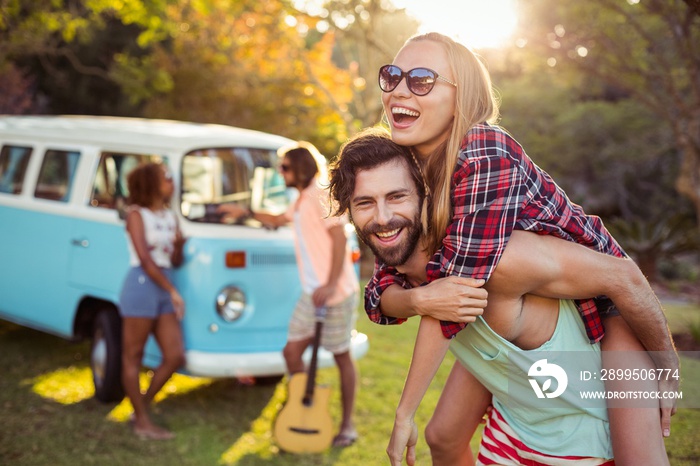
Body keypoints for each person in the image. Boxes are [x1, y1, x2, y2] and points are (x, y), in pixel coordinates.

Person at [365, 32, 678, 464]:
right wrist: (413, 297)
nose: (400, 89)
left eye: (421, 79)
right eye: (392, 75)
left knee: (638, 456)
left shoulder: (483, 149)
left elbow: (455, 291)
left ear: (462, 97)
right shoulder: (415, 168)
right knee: (443, 436)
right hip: (516, 308)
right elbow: (386, 284)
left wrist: (666, 367)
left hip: (607, 306)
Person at [217, 142, 360, 448]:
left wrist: (331, 284)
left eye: (284, 168)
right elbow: (279, 219)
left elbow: (339, 240)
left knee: (342, 356)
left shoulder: (321, 196)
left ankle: (347, 426)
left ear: (300, 168)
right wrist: (243, 211)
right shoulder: (301, 199)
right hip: (312, 293)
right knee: (291, 353)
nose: (280, 173)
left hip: (335, 292)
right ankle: (306, 400)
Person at [119, 162, 186, 440]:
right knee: (132, 355)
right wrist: (172, 291)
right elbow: (145, 260)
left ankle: (140, 407)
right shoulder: (137, 214)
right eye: (166, 177)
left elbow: (173, 261)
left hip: (163, 282)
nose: (171, 181)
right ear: (150, 182)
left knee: (174, 356)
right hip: (143, 285)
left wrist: (179, 246)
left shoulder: (170, 216)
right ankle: (142, 422)